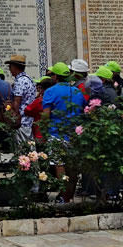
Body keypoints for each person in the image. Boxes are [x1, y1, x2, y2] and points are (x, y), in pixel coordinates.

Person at [42, 63, 86, 202]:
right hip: (74, 134)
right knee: (72, 165)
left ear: (55, 76)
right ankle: (70, 196)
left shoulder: (50, 91)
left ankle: (62, 194)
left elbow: (46, 115)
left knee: (59, 164)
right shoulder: (77, 92)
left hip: (56, 133)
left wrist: (44, 132)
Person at [7, 54, 37, 144]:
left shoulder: (20, 81)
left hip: (22, 121)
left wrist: (14, 117)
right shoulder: (28, 79)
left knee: (23, 149)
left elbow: (17, 101)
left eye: (10, 66)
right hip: (28, 119)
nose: (9, 69)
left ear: (16, 68)